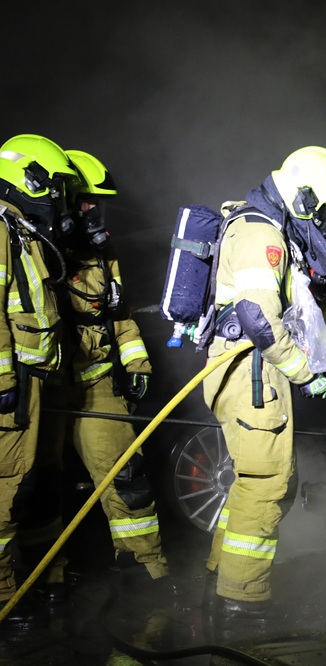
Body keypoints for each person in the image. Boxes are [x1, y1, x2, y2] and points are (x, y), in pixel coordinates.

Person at [202, 146, 326, 619]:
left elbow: (316, 308)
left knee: (257, 480)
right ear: (304, 197)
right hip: (250, 373)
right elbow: (258, 319)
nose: (324, 219)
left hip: (260, 372)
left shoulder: (283, 232)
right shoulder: (261, 234)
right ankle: (241, 599)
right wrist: (306, 373)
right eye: (323, 209)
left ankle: (221, 576)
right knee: (267, 484)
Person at [28, 144, 170, 595]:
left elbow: (118, 313)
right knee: (39, 485)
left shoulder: (102, 253)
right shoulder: (31, 248)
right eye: (86, 202)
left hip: (97, 383)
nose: (93, 211)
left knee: (127, 478)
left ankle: (145, 570)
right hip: (45, 389)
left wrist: (136, 361)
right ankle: (43, 579)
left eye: (97, 203)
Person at [0, 135, 74, 627]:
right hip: (15, 385)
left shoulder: (18, 228)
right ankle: (4, 595)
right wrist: (4, 379)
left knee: (35, 483)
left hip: (35, 378)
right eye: (51, 186)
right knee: (6, 488)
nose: (55, 198)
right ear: (29, 177)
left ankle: (42, 578)